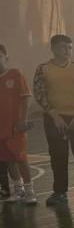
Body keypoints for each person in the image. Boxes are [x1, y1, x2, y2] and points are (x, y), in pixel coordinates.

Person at [33, 34, 74, 206]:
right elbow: (40, 94)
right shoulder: (43, 69)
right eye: (63, 47)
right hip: (55, 119)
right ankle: (59, 192)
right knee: (58, 156)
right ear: (53, 49)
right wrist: (55, 116)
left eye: (70, 47)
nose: (67, 51)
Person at [0, 43, 35, 204]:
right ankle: (19, 191)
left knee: (21, 158)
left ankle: (30, 192)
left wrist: (23, 120)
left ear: (6, 57)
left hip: (15, 127)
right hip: (1, 128)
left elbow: (26, 97)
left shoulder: (15, 74)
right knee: (8, 160)